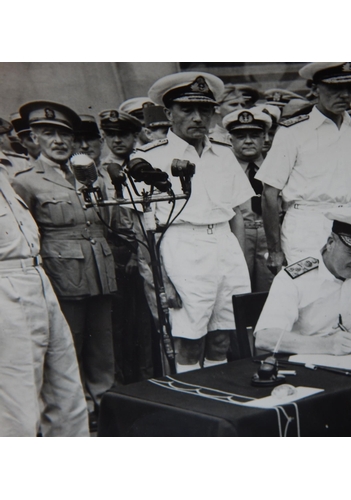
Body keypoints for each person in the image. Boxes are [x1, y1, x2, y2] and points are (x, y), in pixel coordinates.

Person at [131, 71, 255, 373]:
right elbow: (142, 229)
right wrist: (162, 281)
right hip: (182, 247)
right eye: (187, 109)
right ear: (169, 113)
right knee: (189, 338)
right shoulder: (149, 157)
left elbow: (238, 213)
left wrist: (237, 260)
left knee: (223, 334)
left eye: (205, 110)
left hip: (224, 245)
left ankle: (219, 397)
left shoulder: (224, 154)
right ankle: (193, 403)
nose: (198, 117)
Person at [11, 100, 117, 428]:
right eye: (47, 133)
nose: (58, 141)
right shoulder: (25, 180)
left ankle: (108, 409)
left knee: (102, 346)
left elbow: (107, 221)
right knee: (68, 349)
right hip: (61, 276)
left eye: (63, 135)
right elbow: (28, 233)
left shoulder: (89, 174)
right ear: (33, 139)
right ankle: (81, 414)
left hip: (99, 269)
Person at [255, 62, 351, 273]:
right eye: (335, 88)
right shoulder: (294, 132)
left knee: (342, 292)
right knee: (306, 293)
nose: (344, 95)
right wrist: (275, 250)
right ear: (315, 89)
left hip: (346, 223)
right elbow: (270, 193)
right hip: (306, 224)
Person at [254, 208, 351, 355]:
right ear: (331, 242)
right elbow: (265, 337)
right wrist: (327, 345)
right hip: (306, 359)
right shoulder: (295, 277)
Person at [99, 109, 155, 384]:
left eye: (123, 134)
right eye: (111, 135)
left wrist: (136, 251)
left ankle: (148, 377)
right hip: (112, 249)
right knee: (117, 321)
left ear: (136, 135)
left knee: (145, 320)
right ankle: (125, 381)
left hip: (142, 246)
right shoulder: (96, 171)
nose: (117, 140)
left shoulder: (146, 165)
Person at [223, 107, 275, 292]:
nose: (248, 141)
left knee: (270, 287)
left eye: (254, 135)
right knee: (239, 288)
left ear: (265, 137)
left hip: (271, 233)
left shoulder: (276, 164)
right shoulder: (223, 166)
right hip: (238, 233)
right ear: (230, 139)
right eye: (240, 136)